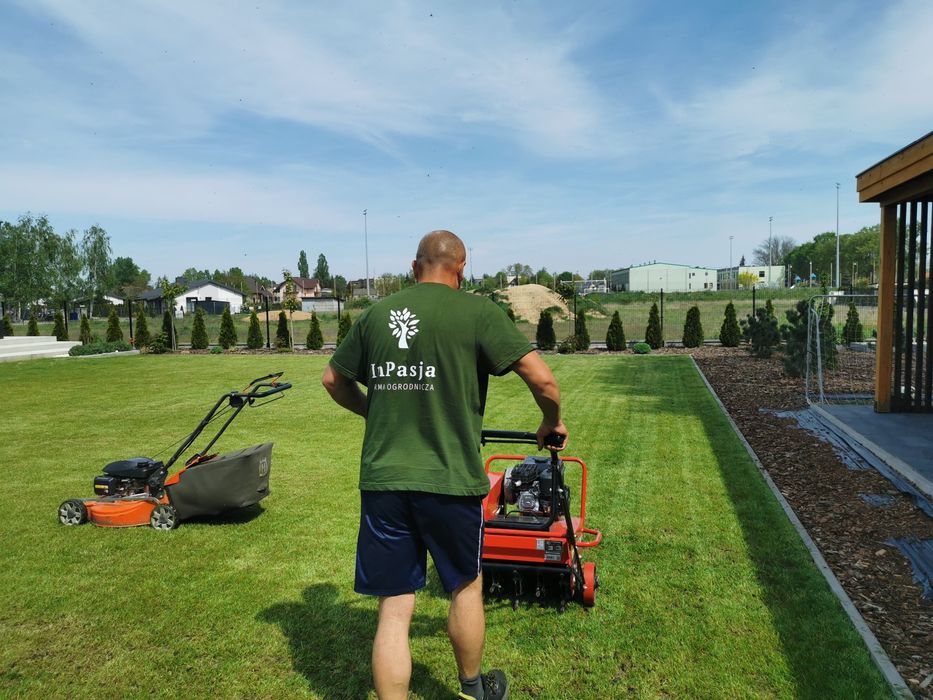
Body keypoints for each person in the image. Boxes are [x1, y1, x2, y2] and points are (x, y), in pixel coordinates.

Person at [322, 230, 566, 700]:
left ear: (414, 268)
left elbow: (334, 380)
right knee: (465, 587)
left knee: (394, 608)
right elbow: (543, 380)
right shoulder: (477, 312)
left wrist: (376, 410)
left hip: (385, 481)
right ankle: (474, 690)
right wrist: (550, 422)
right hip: (451, 480)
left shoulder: (376, 314)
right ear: (462, 267)